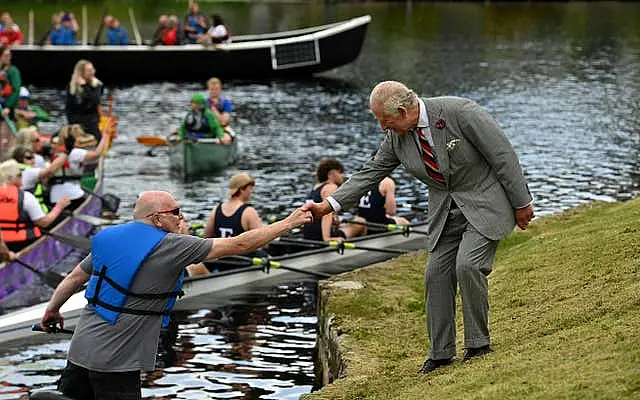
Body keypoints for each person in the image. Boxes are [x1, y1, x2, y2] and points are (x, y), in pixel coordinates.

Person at [303, 81, 535, 374]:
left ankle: (478, 344)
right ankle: (440, 354)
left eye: (383, 120)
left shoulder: (461, 113)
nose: (381, 127)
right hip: (445, 211)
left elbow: (502, 156)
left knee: (468, 265)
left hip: (485, 201)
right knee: (435, 274)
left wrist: (521, 202)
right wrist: (329, 206)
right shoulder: (396, 137)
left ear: (402, 111)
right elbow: (371, 172)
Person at [39, 190, 311, 400]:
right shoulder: (173, 245)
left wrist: (51, 311)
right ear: (157, 218)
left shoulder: (111, 238)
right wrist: (289, 222)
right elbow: (240, 244)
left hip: (81, 349)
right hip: (116, 361)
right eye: (176, 211)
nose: (181, 217)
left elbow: (74, 278)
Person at [0, 159, 71, 251]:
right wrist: (59, 207)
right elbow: (44, 222)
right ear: (12, 178)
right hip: (24, 242)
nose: (22, 177)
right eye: (20, 175)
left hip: (3, 244)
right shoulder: (26, 197)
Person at [49, 124, 109, 212]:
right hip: (73, 195)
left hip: (54, 196)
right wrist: (105, 136)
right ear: (75, 139)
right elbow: (96, 155)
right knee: (88, 200)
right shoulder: (75, 152)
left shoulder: (54, 151)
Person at [302, 158, 364, 242]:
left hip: (308, 234)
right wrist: (327, 238)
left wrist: (335, 220)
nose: (343, 175)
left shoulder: (316, 187)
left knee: (342, 223)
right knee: (361, 221)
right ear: (331, 173)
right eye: (340, 172)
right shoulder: (331, 187)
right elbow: (327, 214)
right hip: (321, 235)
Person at [203, 172, 262, 238]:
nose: (251, 191)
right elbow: (261, 241)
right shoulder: (249, 212)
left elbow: (206, 236)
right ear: (242, 189)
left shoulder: (216, 209)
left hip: (221, 248)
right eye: (250, 188)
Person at [12, 145, 67, 213]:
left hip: (25, 211)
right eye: (29, 158)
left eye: (33, 157)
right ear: (19, 159)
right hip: (35, 214)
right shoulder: (28, 172)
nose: (33, 160)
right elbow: (50, 170)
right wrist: (64, 154)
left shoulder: (14, 170)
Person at [65, 60, 104, 140]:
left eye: (93, 69)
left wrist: (85, 86)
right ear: (81, 73)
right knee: (60, 136)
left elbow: (95, 102)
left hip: (91, 121)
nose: (92, 72)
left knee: (97, 137)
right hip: (75, 121)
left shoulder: (97, 85)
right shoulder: (71, 86)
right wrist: (72, 123)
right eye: (89, 71)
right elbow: (69, 107)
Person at [0, 45, 20, 157]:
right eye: (6, 55)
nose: (9, 58)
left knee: (7, 137)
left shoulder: (12, 71)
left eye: (9, 55)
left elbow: (16, 89)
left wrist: (8, 106)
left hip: (7, 109)